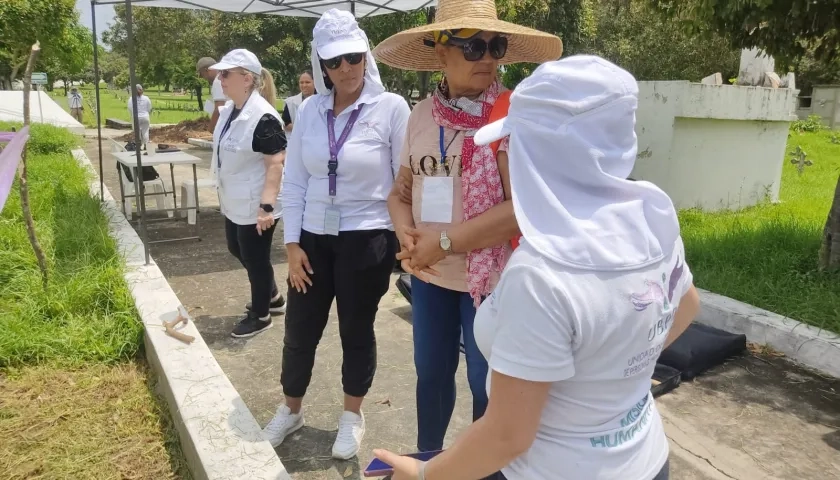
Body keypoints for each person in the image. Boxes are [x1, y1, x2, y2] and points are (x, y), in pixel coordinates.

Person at [374, 56, 702, 480]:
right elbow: (687, 305)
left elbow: (506, 436)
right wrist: (615, 374)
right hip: (646, 458)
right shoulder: (650, 214)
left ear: (541, 149)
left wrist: (423, 476)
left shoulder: (540, 274)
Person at [372, 0, 562, 454]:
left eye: (496, 46)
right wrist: (406, 233)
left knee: (487, 386)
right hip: (431, 277)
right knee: (431, 378)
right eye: (474, 46)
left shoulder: (512, 117)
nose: (489, 57)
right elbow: (400, 193)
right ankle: (427, 461)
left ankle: (484, 466)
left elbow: (522, 209)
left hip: (492, 281)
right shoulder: (420, 117)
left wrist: (441, 241)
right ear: (441, 52)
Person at [263, 8, 410, 460]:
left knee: (356, 329)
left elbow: (403, 182)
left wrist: (405, 241)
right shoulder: (309, 110)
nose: (345, 69)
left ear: (366, 55)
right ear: (320, 66)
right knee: (300, 326)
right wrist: (290, 244)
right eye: (333, 62)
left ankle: (352, 416)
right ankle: (292, 409)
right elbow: (296, 180)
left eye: (352, 57)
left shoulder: (391, 108)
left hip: (367, 237)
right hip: (311, 238)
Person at [210, 49, 288, 338]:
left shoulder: (264, 117)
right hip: (234, 199)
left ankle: (261, 315)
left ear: (246, 79)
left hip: (257, 202)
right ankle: (273, 297)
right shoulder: (230, 110)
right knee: (236, 248)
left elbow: (276, 164)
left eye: (225, 74)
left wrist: (266, 207)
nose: (220, 78)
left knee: (255, 258)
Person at [197, 56, 228, 132]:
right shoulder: (223, 77)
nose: (203, 78)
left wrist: (211, 129)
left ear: (206, 70)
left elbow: (219, 108)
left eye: (202, 74)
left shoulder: (218, 81)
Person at [127, 84, 153, 152]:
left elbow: (130, 108)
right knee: (145, 131)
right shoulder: (146, 98)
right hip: (145, 117)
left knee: (137, 132)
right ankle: (146, 145)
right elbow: (149, 108)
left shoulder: (131, 98)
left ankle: (139, 146)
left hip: (136, 117)